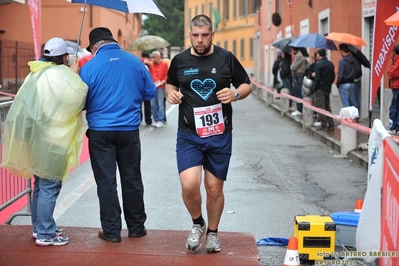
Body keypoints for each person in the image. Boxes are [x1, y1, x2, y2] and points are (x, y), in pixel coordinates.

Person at [165, 14, 253, 253]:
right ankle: (198, 223)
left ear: (212, 34)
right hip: (189, 135)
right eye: (195, 35)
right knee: (189, 184)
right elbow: (170, 83)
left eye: (205, 35)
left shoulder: (226, 58)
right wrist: (170, 93)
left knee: (214, 189)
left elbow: (247, 84)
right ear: (190, 35)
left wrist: (235, 94)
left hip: (219, 134)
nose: (200, 40)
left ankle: (213, 233)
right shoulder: (180, 60)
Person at [1, 37, 88, 246]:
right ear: (63, 56)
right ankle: (45, 233)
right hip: (53, 139)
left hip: (35, 138)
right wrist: (74, 75)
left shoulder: (37, 72)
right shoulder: (62, 75)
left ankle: (40, 226)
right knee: (49, 185)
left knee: (41, 184)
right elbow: (78, 97)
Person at [80, 27, 156, 243]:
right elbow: (149, 93)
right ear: (112, 41)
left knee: (106, 182)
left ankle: (111, 231)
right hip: (129, 130)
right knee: (131, 179)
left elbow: (80, 102)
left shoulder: (89, 67)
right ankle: (136, 227)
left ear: (94, 47)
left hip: (100, 132)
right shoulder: (135, 62)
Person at [313, 48, 335, 131]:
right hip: (327, 88)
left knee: (321, 107)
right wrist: (328, 84)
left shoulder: (319, 65)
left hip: (320, 89)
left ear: (319, 55)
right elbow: (333, 76)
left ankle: (324, 125)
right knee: (327, 106)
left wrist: (315, 87)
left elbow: (317, 78)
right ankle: (331, 124)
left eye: (317, 54)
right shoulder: (330, 64)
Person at [145, 50, 169, 128]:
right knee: (153, 105)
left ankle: (161, 120)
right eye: (154, 57)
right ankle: (155, 120)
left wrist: (164, 81)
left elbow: (167, 74)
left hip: (161, 86)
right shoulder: (151, 63)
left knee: (160, 104)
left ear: (160, 57)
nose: (155, 59)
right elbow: (143, 60)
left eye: (157, 57)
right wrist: (148, 62)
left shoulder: (164, 64)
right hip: (153, 86)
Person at [337, 43, 356, 108]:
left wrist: (338, 84)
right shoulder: (353, 60)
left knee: (346, 104)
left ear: (342, 50)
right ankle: (353, 116)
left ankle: (347, 117)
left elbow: (340, 75)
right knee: (351, 102)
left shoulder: (342, 61)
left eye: (339, 50)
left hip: (344, 83)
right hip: (352, 83)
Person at [290, 47, 308, 116]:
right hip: (299, 75)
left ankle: (299, 109)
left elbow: (293, 67)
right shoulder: (299, 55)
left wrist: (291, 66)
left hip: (299, 75)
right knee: (298, 91)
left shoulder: (298, 56)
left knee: (299, 92)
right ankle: (299, 108)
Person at [387, 44, 399, 134]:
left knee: (394, 107)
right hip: (396, 87)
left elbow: (392, 73)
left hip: (397, 87)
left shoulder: (398, 61)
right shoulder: (395, 61)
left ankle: (392, 127)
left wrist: (390, 71)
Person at [141, 53, 153, 126]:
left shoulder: (146, 65)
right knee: (146, 105)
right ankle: (148, 120)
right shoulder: (146, 66)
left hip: (141, 88)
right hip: (145, 87)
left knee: (141, 105)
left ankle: (145, 119)